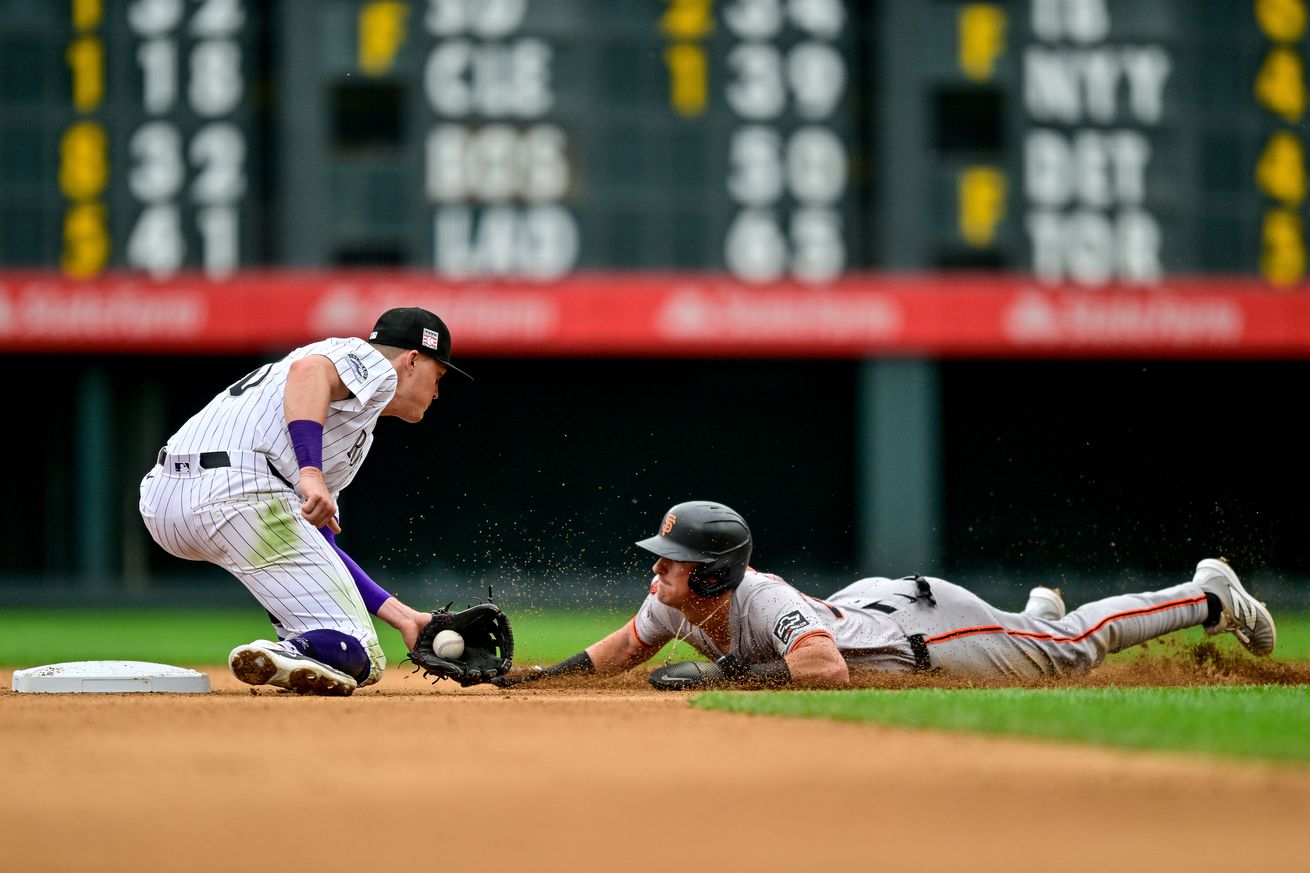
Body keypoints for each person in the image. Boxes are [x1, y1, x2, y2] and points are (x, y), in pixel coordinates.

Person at [495, 500, 1277, 690]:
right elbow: (627, 646)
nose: (655, 573)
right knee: (1038, 635)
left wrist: (719, 674)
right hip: (869, 605)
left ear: (711, 574)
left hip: (926, 632)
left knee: (1070, 649)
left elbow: (825, 669)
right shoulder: (675, 603)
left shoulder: (759, 598)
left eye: (669, 563)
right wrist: (539, 680)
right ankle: (1027, 621)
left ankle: (1207, 594)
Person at [139, 307, 471, 696]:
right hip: (239, 493)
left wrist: (403, 618)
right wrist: (310, 472)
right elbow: (309, 372)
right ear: (412, 361)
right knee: (361, 651)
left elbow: (318, 542)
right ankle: (286, 648)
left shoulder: (352, 431)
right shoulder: (374, 364)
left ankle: (299, 647)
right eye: (439, 375)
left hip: (166, 502)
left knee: (331, 639)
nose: (437, 391)